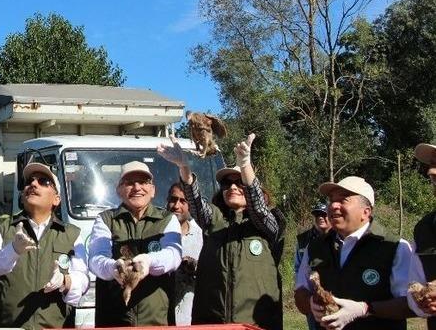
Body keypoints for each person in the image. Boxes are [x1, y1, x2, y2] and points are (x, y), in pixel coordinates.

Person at [158, 133, 285, 330]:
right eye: (227, 184)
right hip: (212, 323)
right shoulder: (214, 220)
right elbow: (196, 203)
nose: (233, 187)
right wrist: (184, 167)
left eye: (239, 182)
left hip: (256, 324)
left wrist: (245, 166)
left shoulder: (269, 222)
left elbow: (259, 209)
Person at [293, 175, 422, 330]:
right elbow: (301, 292)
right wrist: (311, 303)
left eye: (343, 199)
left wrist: (365, 309)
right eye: (331, 200)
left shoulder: (395, 247)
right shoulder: (315, 247)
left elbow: (411, 304)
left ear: (365, 212)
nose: (333, 205)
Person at [0, 162, 89, 330]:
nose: (33, 184)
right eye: (29, 181)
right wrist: (12, 250)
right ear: (22, 196)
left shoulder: (71, 234)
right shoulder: (1, 226)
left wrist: (65, 281)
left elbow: (83, 279)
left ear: (56, 199)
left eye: (44, 181)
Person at [86, 161, 182, 326]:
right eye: (130, 183)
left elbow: (173, 255)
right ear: (119, 190)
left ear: (152, 190)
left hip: (156, 321)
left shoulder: (167, 219)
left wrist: (148, 261)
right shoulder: (105, 219)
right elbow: (96, 258)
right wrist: (113, 267)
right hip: (114, 321)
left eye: (143, 182)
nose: (137, 187)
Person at [166, 181, 202, 326]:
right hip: (161, 317)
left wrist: (194, 266)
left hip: (191, 316)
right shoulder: (155, 233)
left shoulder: (201, 235)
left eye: (183, 201)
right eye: (173, 200)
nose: (176, 206)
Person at [294, 201, 331, 330]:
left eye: (323, 214)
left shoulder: (340, 236)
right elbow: (298, 267)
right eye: (317, 215)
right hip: (311, 294)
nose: (320, 217)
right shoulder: (303, 240)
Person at [412, 142, 436, 328]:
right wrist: (421, 301)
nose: (431, 172)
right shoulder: (424, 229)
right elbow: (414, 283)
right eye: (432, 164)